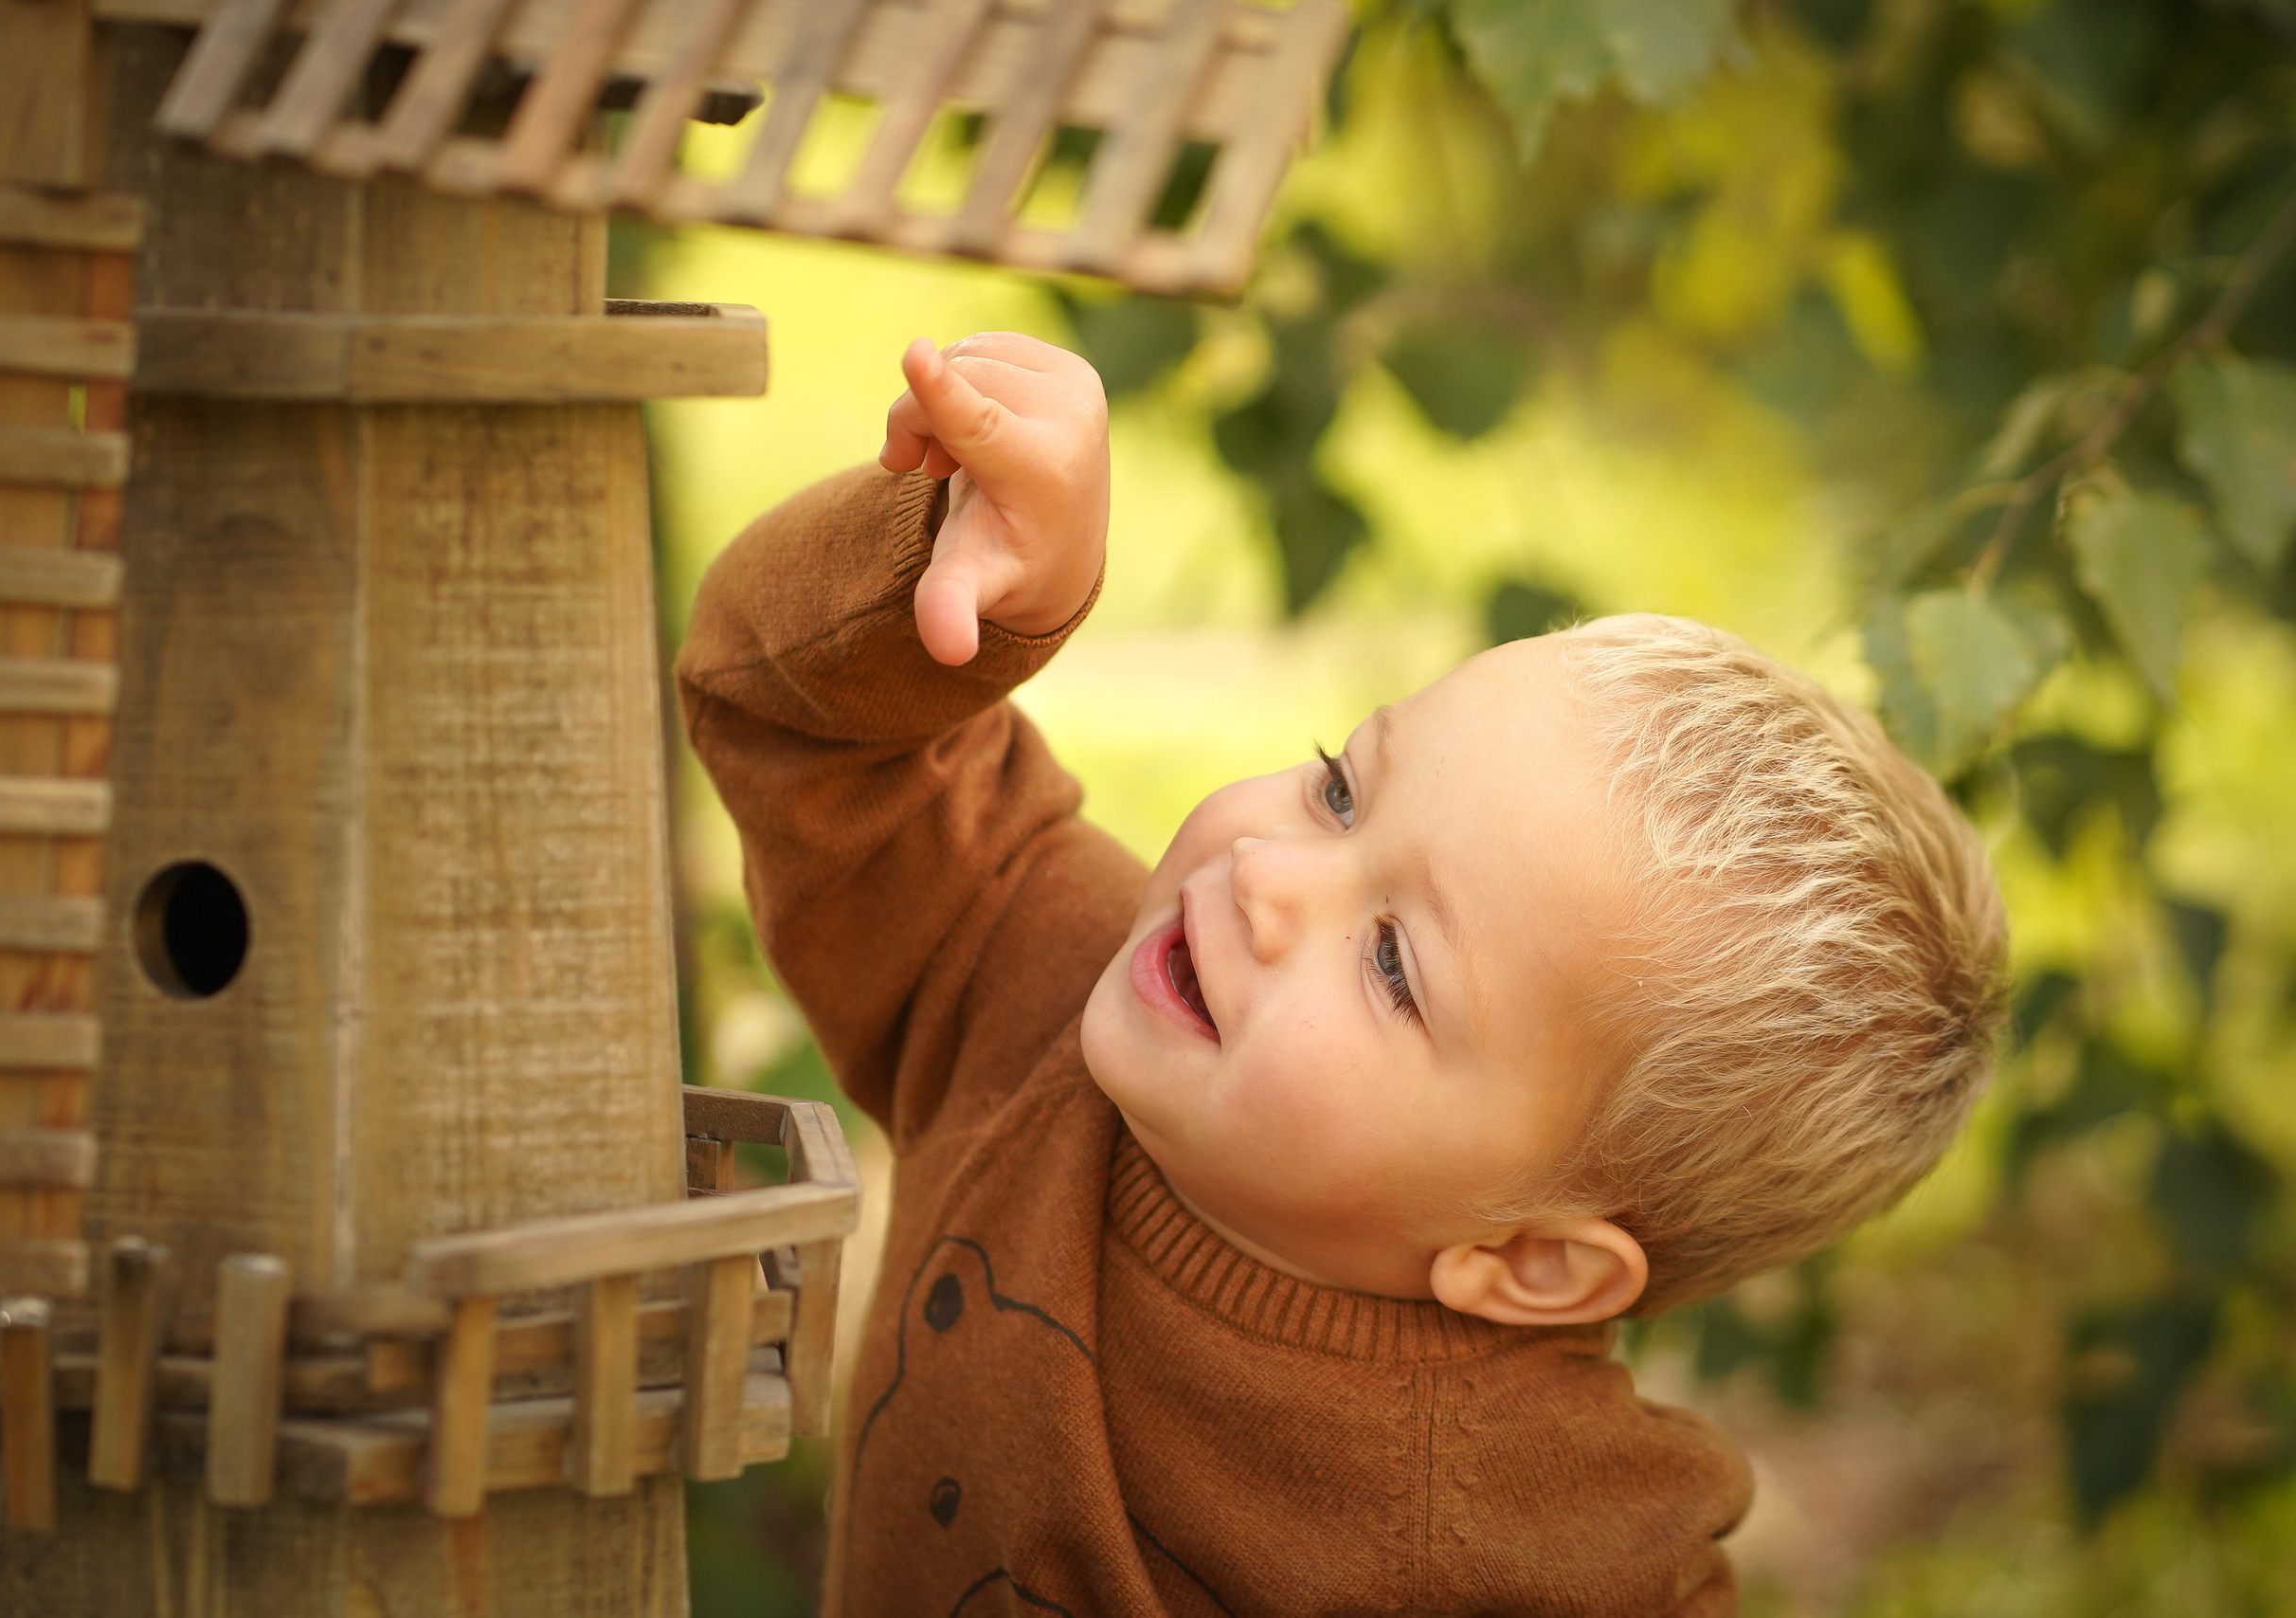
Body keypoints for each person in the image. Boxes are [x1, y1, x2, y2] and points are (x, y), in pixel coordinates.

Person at [676, 332, 2007, 1616]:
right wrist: (964, 570)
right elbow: (790, 725)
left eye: (1392, 963)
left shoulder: (1536, 1549)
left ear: (1533, 1262)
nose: (1266, 875)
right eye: (1340, 789)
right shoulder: (1034, 978)